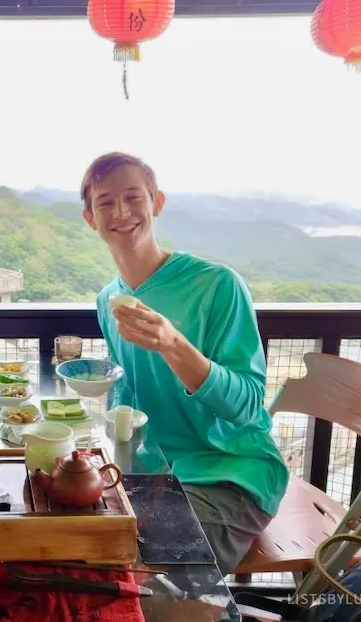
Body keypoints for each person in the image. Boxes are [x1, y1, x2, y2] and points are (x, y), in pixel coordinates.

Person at [81, 151, 289, 576]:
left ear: (156, 203)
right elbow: (129, 394)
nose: (121, 212)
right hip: (155, 475)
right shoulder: (109, 301)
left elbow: (248, 406)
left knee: (143, 578)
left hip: (229, 475)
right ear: (90, 218)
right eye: (105, 202)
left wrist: (173, 342)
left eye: (133, 197)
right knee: (78, 544)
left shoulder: (217, 286)